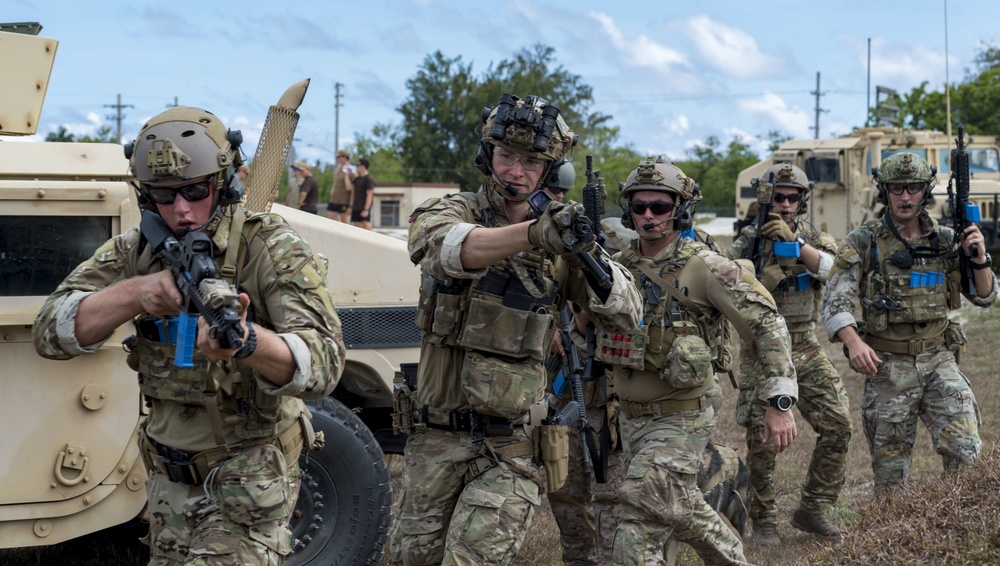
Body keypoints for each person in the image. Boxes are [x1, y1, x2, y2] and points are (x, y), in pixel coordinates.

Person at [32, 106, 346, 564]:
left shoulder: (268, 246)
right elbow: (49, 331)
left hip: (247, 487)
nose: (181, 209)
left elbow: (324, 362)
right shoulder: (135, 251)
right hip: (165, 489)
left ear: (223, 182)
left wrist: (249, 342)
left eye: (195, 191)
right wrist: (137, 293)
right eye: (163, 194)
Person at [389, 93, 642, 566]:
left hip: (513, 445)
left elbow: (627, 311)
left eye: (531, 162)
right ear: (488, 156)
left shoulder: (561, 237)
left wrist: (584, 253)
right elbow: (443, 248)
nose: (516, 172)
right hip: (434, 439)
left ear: (550, 171)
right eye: (507, 156)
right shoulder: (452, 211)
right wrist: (531, 234)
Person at [602, 156, 798, 566]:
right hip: (630, 420)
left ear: (680, 210)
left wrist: (779, 401)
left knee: (636, 523)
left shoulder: (706, 266)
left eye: (660, 206)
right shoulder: (616, 268)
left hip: (683, 415)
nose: (649, 216)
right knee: (677, 505)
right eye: (639, 207)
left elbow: (767, 325)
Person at [821, 152, 997, 492]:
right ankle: (892, 537)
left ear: (926, 191)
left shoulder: (947, 240)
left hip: (939, 361)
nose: (905, 197)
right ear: (884, 191)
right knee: (891, 478)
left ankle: (958, 532)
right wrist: (854, 342)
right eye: (897, 189)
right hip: (887, 368)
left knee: (967, 452)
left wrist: (979, 256)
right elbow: (836, 297)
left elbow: (985, 296)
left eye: (914, 188)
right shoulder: (864, 240)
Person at [727, 162, 853, 544]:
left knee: (838, 425)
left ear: (802, 199)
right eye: (777, 197)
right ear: (766, 198)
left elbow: (836, 271)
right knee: (763, 443)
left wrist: (797, 245)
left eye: (791, 197)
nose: (784, 204)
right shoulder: (748, 239)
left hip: (804, 344)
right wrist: (757, 279)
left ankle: (814, 509)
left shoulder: (815, 237)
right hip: (761, 351)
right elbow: (725, 280)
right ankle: (764, 520)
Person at [325, 149, 357, 222]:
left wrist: (351, 205)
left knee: (344, 223)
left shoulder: (351, 169)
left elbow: (353, 188)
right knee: (328, 220)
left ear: (345, 157)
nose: (337, 159)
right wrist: (332, 191)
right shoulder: (338, 168)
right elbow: (335, 182)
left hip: (344, 201)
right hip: (334, 200)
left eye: (339, 157)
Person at [351, 158, 375, 229]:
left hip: (363, 207)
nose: (357, 166)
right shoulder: (357, 179)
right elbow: (350, 189)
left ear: (363, 166)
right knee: (357, 225)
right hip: (356, 207)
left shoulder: (368, 179)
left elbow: (369, 195)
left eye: (358, 165)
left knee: (365, 225)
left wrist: (366, 209)